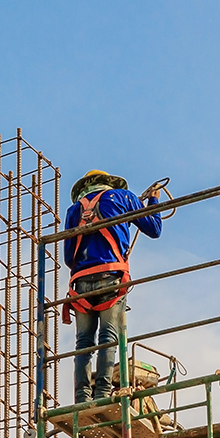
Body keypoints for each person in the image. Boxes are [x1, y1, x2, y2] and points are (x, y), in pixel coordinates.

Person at [61, 170, 164, 404]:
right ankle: (102, 394)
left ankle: (82, 397)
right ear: (109, 183)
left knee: (83, 343)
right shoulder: (123, 197)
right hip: (111, 276)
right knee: (108, 337)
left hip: (80, 283)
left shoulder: (73, 211)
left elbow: (68, 256)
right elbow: (154, 229)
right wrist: (153, 200)